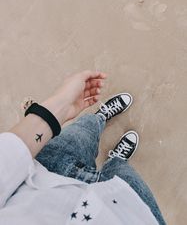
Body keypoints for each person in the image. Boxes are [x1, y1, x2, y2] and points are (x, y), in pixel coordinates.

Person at [0, 70, 166, 225]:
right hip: (129, 212)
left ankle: (100, 118)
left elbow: (7, 161)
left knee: (83, 131)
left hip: (51, 170)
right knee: (121, 170)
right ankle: (115, 159)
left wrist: (60, 105)